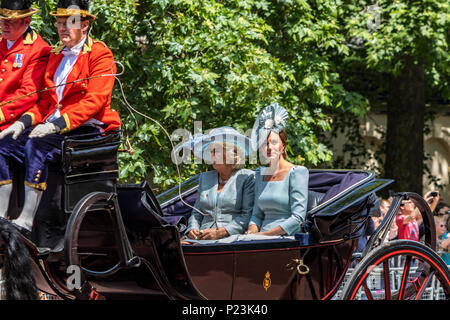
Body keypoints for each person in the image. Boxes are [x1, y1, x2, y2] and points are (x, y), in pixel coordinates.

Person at [0, 0, 120, 237]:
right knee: (4, 146)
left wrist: (55, 125)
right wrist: (21, 123)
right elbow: (44, 102)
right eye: (59, 23)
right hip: (53, 127)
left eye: (70, 23)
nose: (63, 28)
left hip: (86, 129)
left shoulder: (100, 54)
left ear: (84, 25)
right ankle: (2, 214)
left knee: (36, 144)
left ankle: (27, 218)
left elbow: (93, 102)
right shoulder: (55, 55)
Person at [0, 0, 51, 217]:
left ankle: (2, 214)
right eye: (2, 19)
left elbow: (28, 94)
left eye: (11, 21)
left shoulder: (39, 49)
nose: (4, 25)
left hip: (19, 122)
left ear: (27, 21)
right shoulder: (2, 43)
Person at [246, 103, 308, 236]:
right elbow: (256, 215)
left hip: (286, 238)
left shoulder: (297, 172)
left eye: (273, 142)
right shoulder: (260, 173)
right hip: (259, 238)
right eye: (264, 144)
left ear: (283, 146)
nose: (268, 147)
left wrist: (264, 235)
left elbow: (297, 219)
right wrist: (251, 231)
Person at [183, 127, 255, 241]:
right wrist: (192, 229)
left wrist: (221, 232)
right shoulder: (205, 178)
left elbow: (248, 215)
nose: (211, 156)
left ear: (230, 153)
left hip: (230, 239)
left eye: (215, 151)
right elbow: (196, 213)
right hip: (201, 237)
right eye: (210, 152)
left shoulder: (247, 177)